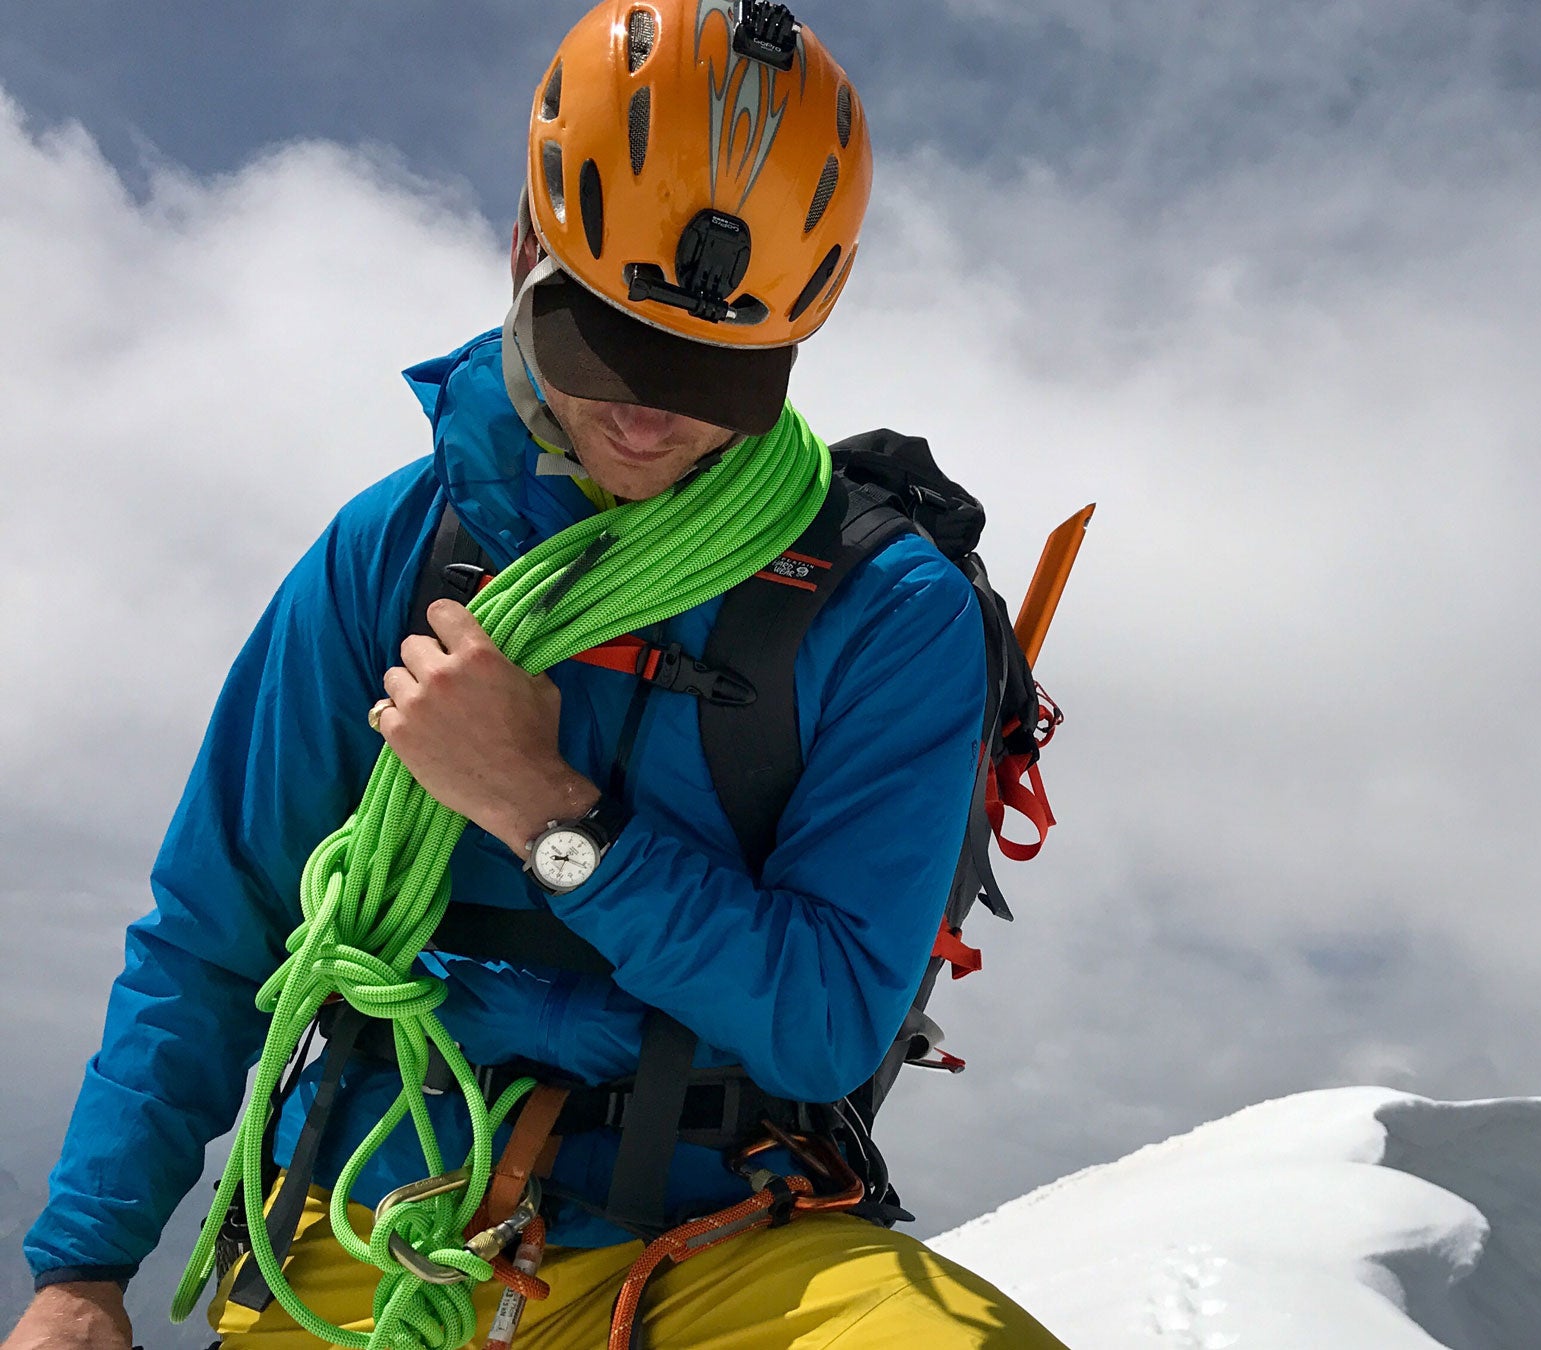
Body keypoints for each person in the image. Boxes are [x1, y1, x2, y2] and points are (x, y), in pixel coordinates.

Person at [3, 3, 1066, 1347]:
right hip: (374, 1226)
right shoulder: (398, 548)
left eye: (716, 373)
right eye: (605, 342)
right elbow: (217, 929)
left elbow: (826, 1023)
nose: (647, 407)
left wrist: (548, 812)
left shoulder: (884, 610)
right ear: (525, 253)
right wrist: (82, 1268)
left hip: (714, 1243)